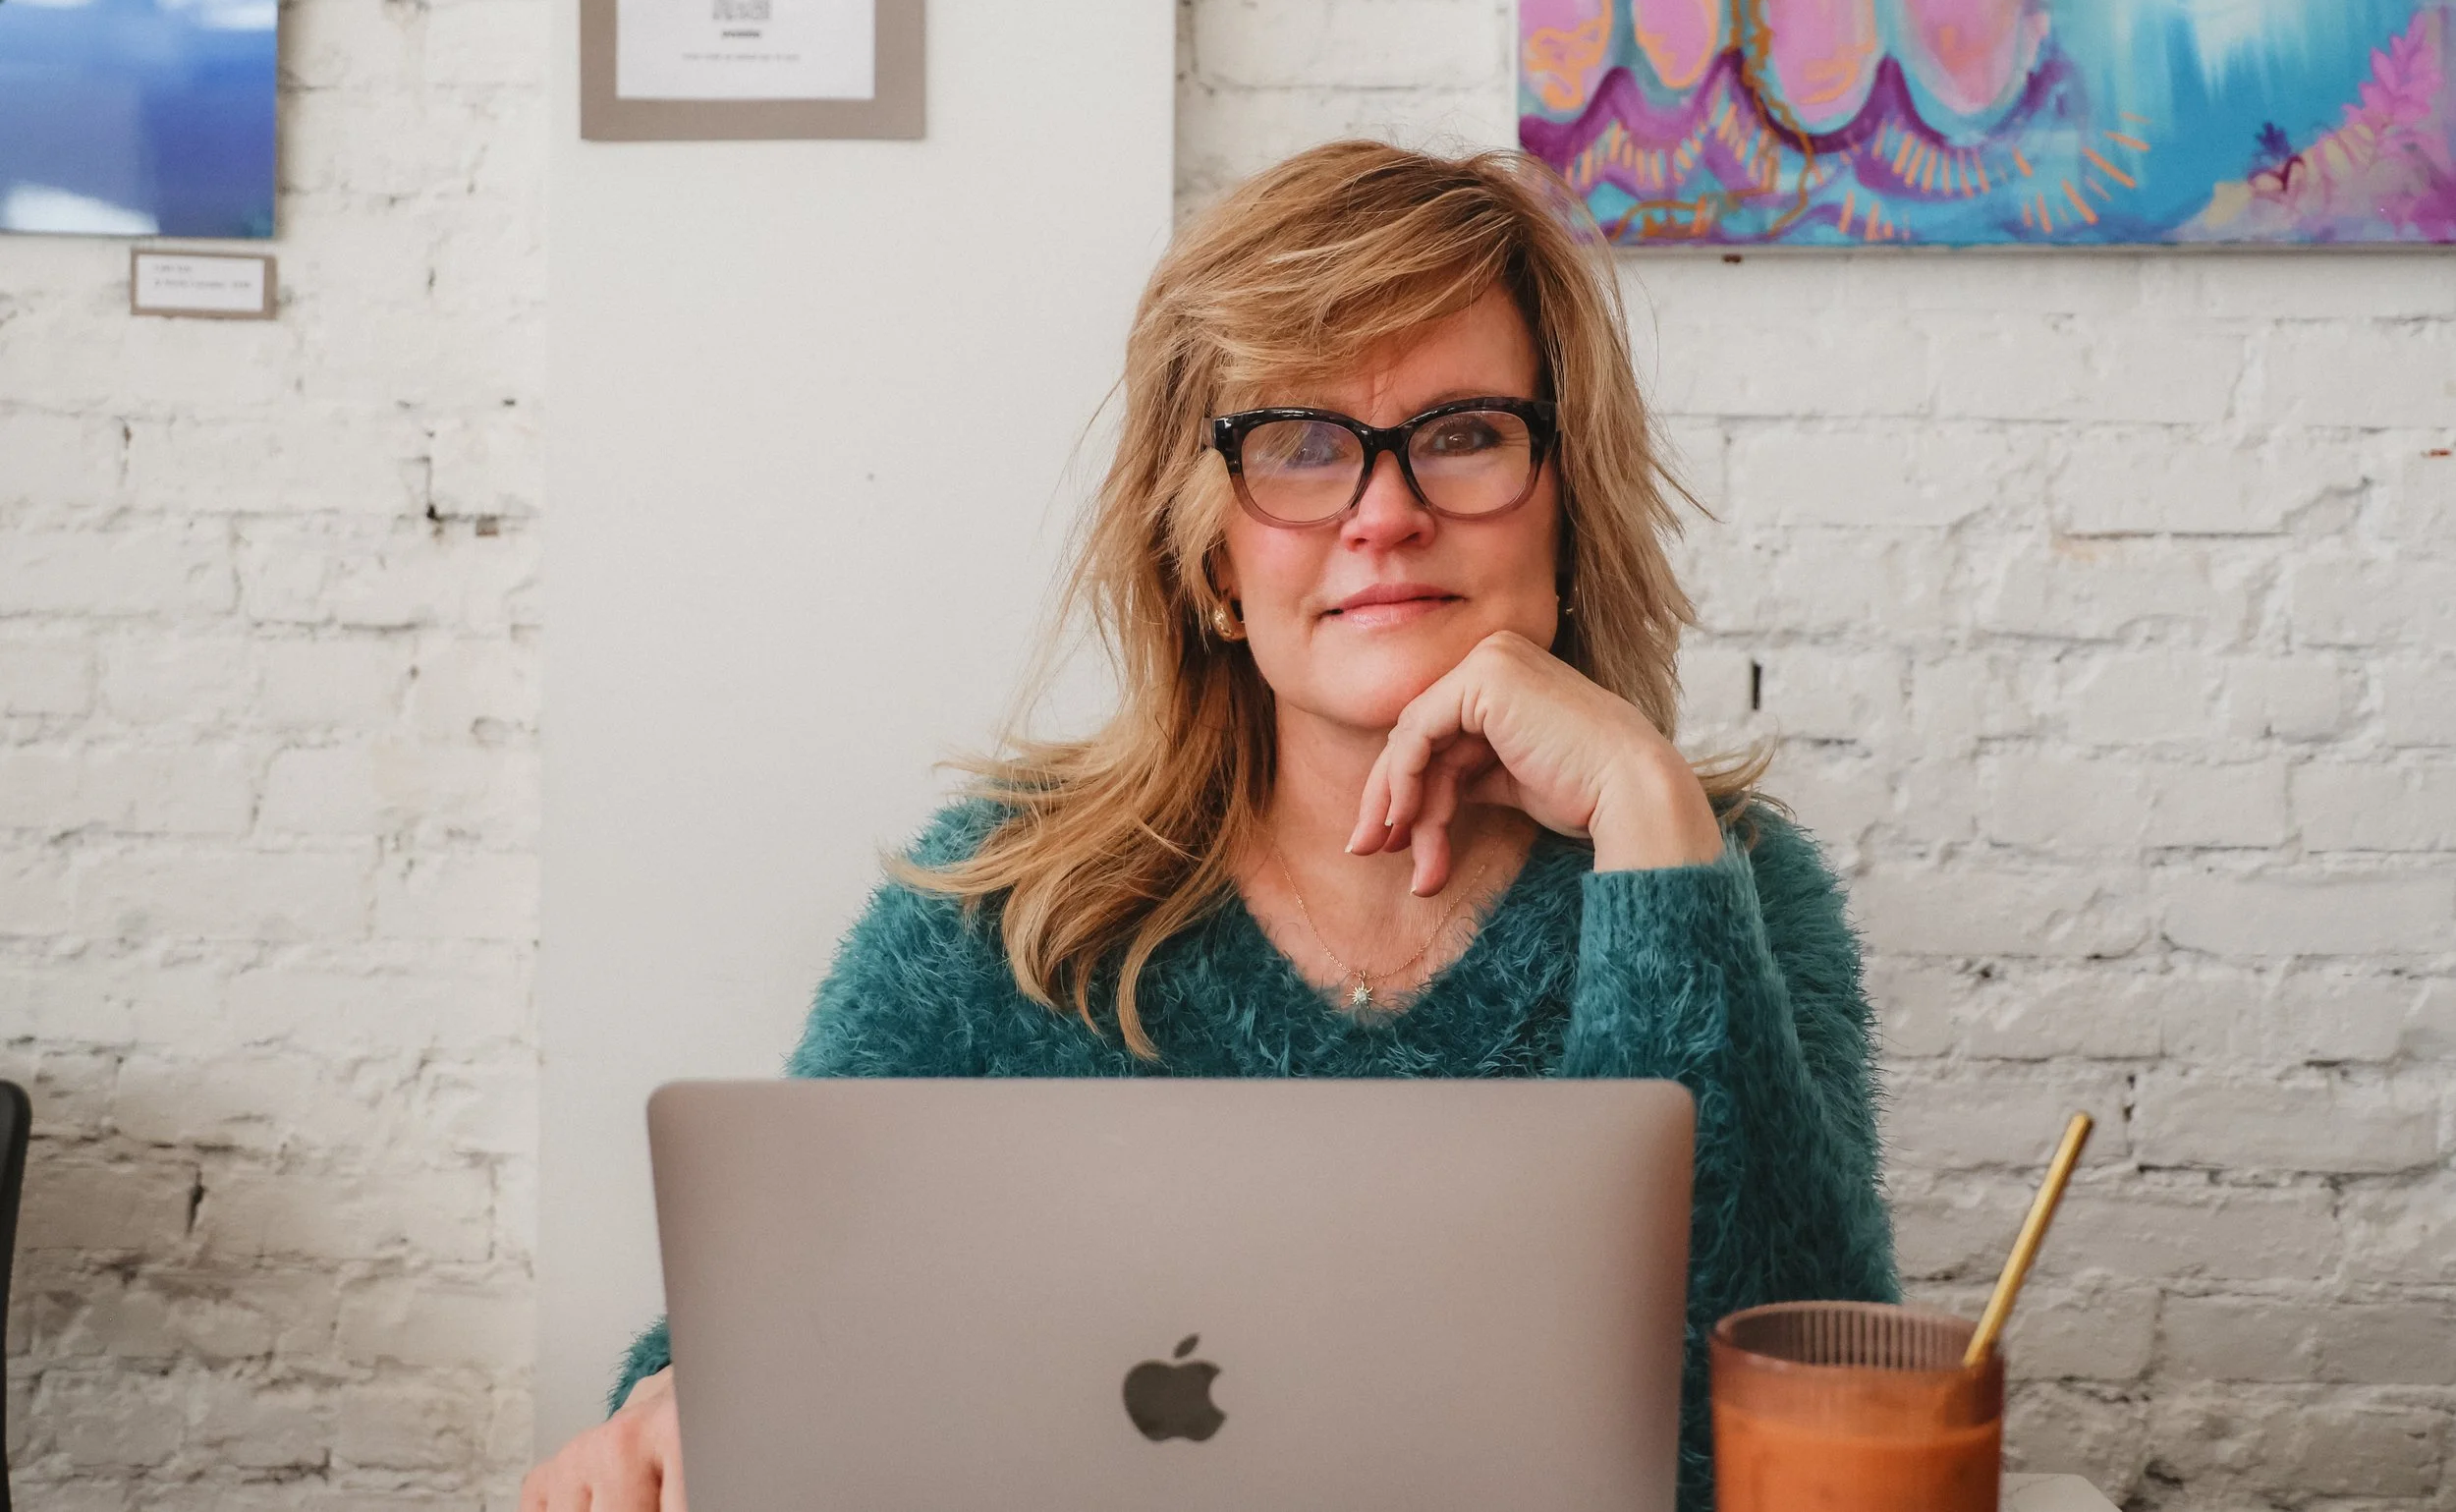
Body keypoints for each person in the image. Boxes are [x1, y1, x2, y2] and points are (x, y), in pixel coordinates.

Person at [521, 141, 1896, 1512]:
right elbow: (732, 1360)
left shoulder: (1731, 889)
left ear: (1567, 501)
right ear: (1211, 564)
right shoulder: (996, 908)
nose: (1388, 513)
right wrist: (671, 1401)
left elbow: (1812, 1445)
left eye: (1466, 433)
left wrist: (1649, 820)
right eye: (1298, 445)